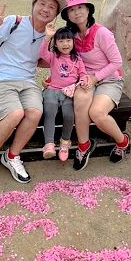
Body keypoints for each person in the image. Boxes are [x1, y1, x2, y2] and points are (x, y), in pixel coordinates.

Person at [0, 0, 66, 191]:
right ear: (33, 5)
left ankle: (12, 156)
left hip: (27, 82)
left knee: (35, 112)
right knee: (15, 113)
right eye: (42, 4)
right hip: (1, 79)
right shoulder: (14, 22)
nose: (46, 9)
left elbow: (44, 60)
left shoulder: (50, 35)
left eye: (52, 7)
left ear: (55, 15)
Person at [60, 0, 130, 170]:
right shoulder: (71, 36)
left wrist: (95, 78)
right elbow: (61, 57)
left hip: (109, 79)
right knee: (81, 101)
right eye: (72, 10)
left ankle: (123, 142)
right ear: (67, 15)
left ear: (88, 10)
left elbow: (117, 62)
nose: (77, 13)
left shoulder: (102, 33)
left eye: (80, 8)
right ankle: (84, 146)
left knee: (97, 113)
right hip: (85, 78)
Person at [39, 26, 89, 162]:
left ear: (73, 42)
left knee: (69, 115)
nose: (65, 44)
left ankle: (64, 142)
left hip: (69, 93)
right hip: (52, 91)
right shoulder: (54, 57)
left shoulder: (77, 60)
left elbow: (83, 74)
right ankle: (49, 144)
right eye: (61, 41)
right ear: (55, 43)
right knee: (50, 112)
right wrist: (47, 37)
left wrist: (84, 80)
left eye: (68, 40)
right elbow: (42, 53)